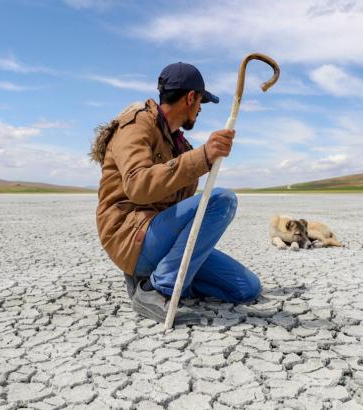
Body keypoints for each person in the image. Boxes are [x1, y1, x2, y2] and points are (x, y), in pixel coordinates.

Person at [92, 62, 261, 325]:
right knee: (222, 200)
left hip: (162, 240)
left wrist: (198, 157)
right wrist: (202, 156)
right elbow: (138, 185)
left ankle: (160, 277)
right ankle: (156, 290)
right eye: (201, 101)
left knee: (246, 288)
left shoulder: (179, 144)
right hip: (131, 236)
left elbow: (181, 209)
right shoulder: (136, 125)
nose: (201, 108)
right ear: (190, 97)